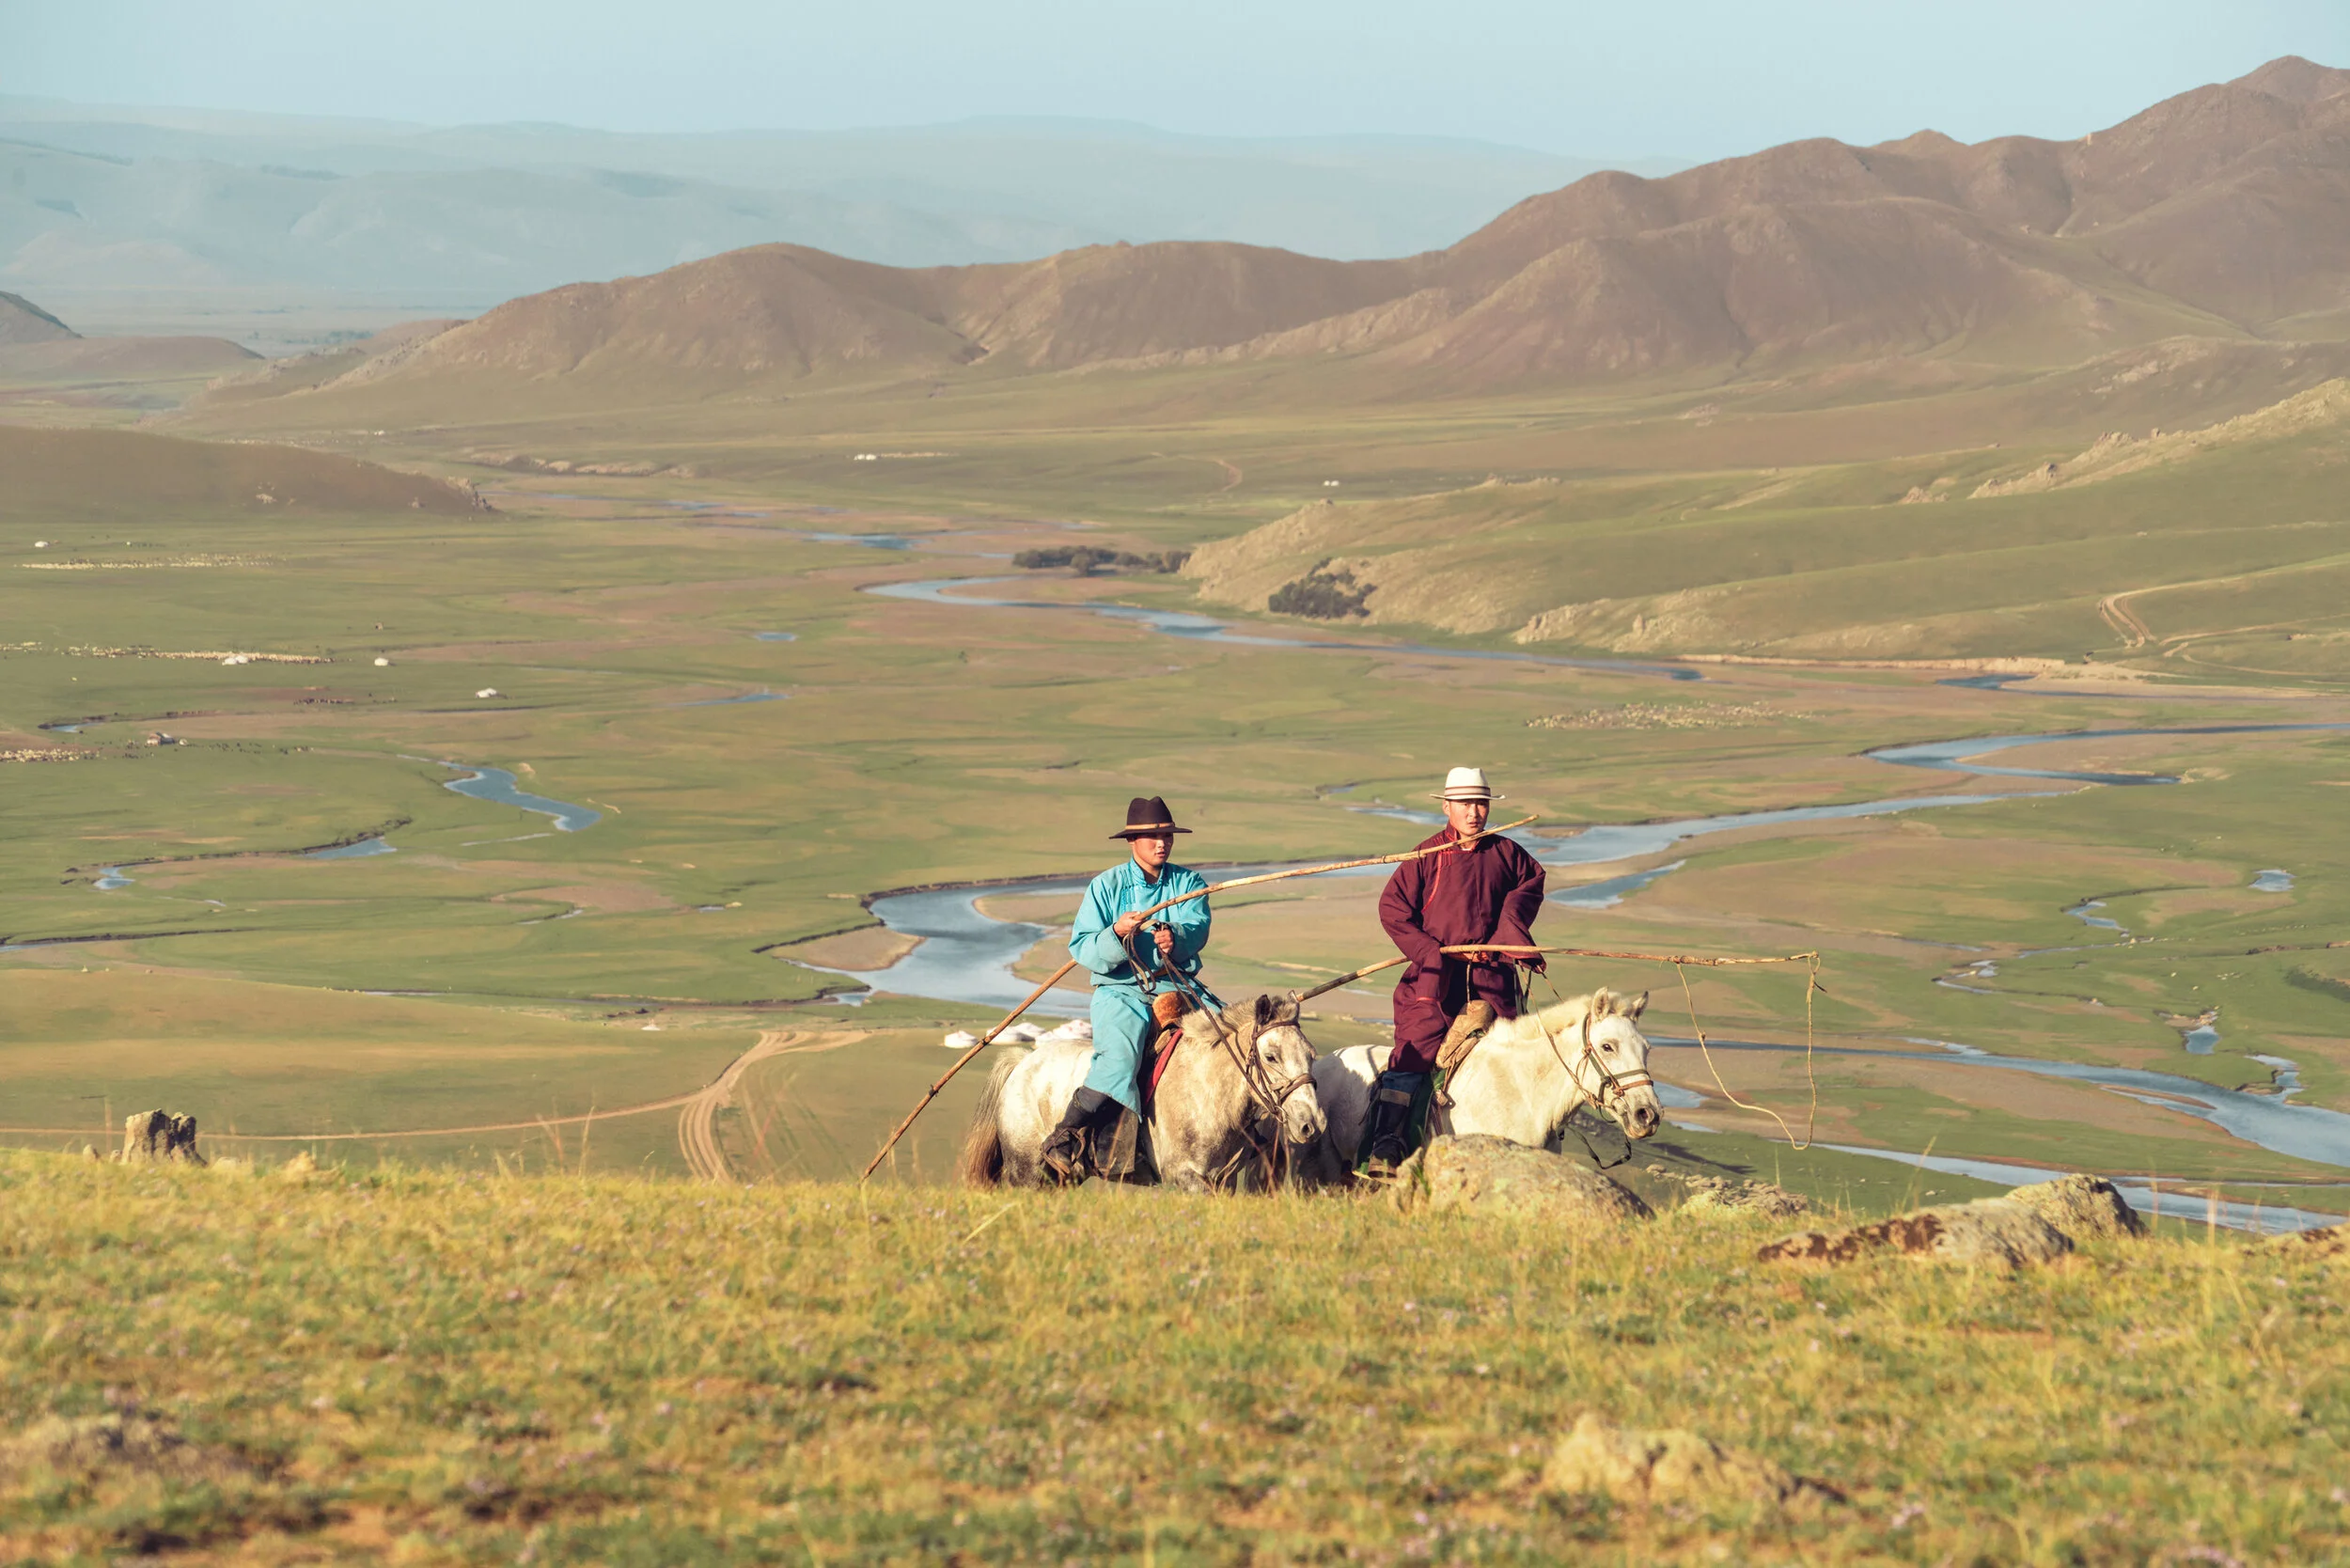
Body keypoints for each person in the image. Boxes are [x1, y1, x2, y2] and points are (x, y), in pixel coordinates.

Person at [1366, 766, 1546, 1172]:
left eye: (1480, 803)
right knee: (1413, 1054)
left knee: (1516, 1053)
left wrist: (1507, 936)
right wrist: (1430, 952)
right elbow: (1392, 910)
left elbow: (1531, 883)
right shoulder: (1426, 856)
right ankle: (1387, 1147)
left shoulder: (1508, 853)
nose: (1474, 812)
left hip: (1493, 977)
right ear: (1447, 807)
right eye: (1465, 804)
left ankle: (1527, 1144)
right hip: (1435, 979)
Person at [1039, 795, 1213, 1184]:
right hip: (1120, 990)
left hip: (1176, 986)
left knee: (1227, 1040)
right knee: (1120, 1056)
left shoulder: (1188, 882)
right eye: (1152, 836)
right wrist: (1116, 933)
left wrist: (1176, 938)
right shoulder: (1105, 886)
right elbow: (1083, 947)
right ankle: (1065, 1136)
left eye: (1166, 834)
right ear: (1132, 841)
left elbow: (1197, 925)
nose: (1161, 842)